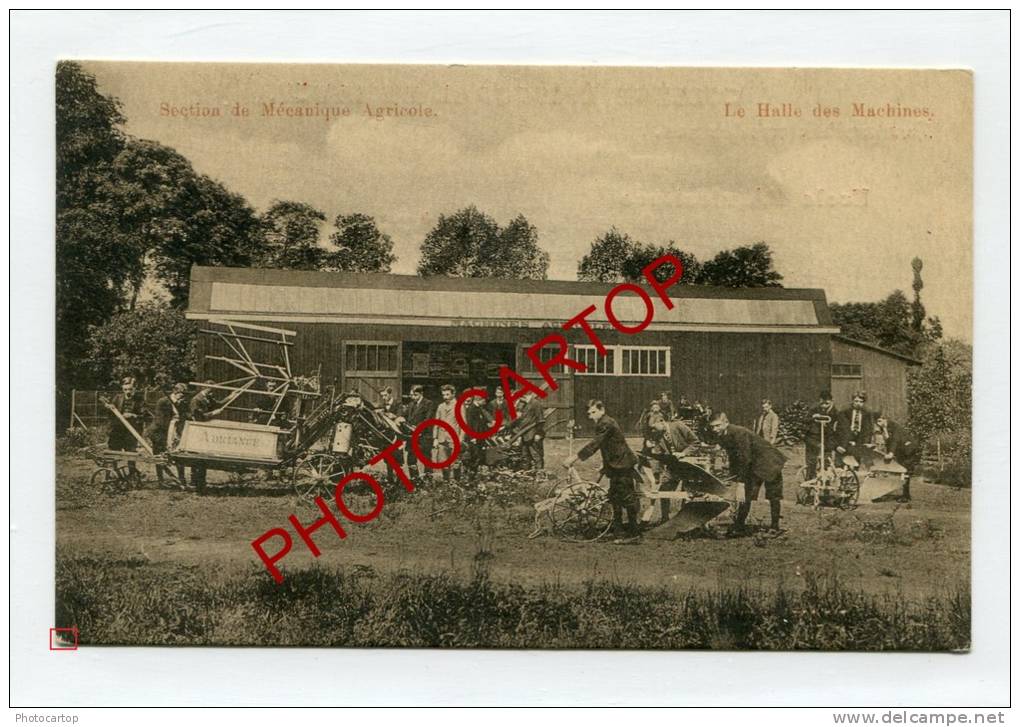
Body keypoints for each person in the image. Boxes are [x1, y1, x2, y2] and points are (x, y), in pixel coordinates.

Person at [564, 400, 640, 541]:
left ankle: (634, 534)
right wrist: (605, 465)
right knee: (615, 498)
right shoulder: (604, 422)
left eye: (593, 412)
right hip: (615, 464)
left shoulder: (605, 423)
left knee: (627, 497)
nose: (591, 416)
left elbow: (596, 443)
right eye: (589, 413)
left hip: (622, 465)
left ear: (602, 410)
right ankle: (619, 531)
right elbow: (608, 446)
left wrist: (575, 457)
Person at [710, 412, 786, 535]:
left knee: (773, 495)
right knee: (746, 496)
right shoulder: (723, 435)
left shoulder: (739, 433)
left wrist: (740, 482)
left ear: (726, 423)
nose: (715, 429)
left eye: (718, 425)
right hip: (754, 464)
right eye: (712, 426)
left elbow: (745, 458)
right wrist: (734, 476)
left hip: (769, 462)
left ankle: (775, 526)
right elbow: (734, 457)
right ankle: (739, 526)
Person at [145, 382, 189, 487]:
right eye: (181, 394)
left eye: (183, 395)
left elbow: (185, 415)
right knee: (160, 457)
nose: (182, 397)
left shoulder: (181, 402)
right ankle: (161, 481)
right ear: (175, 392)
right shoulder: (163, 402)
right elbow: (160, 421)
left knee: (179, 455)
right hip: (159, 432)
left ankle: (182, 480)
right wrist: (173, 422)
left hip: (173, 431)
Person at [107, 376, 150, 477]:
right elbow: (110, 415)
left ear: (134, 389)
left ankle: (132, 474)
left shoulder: (140, 400)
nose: (128, 391)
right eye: (125, 389)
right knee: (113, 453)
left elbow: (146, 416)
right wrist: (109, 409)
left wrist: (133, 415)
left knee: (131, 454)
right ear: (122, 389)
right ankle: (111, 474)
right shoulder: (117, 398)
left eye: (130, 389)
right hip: (117, 431)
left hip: (131, 432)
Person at [187, 380, 225, 494]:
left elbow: (219, 404)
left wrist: (233, 396)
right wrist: (213, 414)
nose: (213, 393)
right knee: (198, 458)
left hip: (205, 431)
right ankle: (196, 484)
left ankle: (200, 484)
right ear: (206, 388)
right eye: (212, 390)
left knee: (203, 459)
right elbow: (198, 417)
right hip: (198, 431)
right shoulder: (196, 400)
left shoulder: (208, 398)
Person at [874, 413, 921, 502]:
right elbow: (888, 441)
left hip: (908, 450)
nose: (878, 423)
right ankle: (905, 495)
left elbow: (895, 440)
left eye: (879, 421)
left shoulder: (895, 426)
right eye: (876, 422)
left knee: (905, 471)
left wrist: (891, 453)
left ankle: (906, 496)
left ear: (885, 419)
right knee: (902, 471)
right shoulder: (883, 428)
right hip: (901, 451)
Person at [506, 389, 546, 473]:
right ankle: (526, 472)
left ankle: (540, 472)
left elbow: (541, 420)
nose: (519, 400)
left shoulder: (536, 403)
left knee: (536, 454)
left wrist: (538, 434)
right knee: (525, 454)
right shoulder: (523, 404)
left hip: (533, 433)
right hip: (524, 434)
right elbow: (519, 418)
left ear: (524, 396)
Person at [804, 390, 839, 480]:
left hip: (828, 438)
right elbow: (805, 421)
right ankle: (810, 480)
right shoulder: (814, 409)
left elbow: (838, 427)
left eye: (826, 403)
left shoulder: (835, 412)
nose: (824, 406)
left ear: (832, 401)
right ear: (820, 401)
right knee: (811, 461)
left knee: (827, 461)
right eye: (822, 403)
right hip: (813, 437)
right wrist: (813, 417)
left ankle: (826, 482)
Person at [404, 385, 435, 482]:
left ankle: (428, 480)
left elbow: (428, 419)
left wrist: (418, 427)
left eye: (415, 395)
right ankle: (415, 480)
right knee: (411, 459)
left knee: (426, 458)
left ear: (421, 393)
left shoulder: (429, 404)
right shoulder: (411, 404)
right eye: (411, 395)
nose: (413, 397)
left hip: (424, 436)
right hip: (412, 437)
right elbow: (405, 415)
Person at [836, 391, 876, 467]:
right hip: (847, 435)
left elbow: (869, 428)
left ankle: (856, 472)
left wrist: (867, 442)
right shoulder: (845, 411)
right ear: (852, 401)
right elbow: (841, 428)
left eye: (861, 402)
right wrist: (842, 443)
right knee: (844, 458)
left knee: (857, 458)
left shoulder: (867, 412)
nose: (858, 403)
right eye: (856, 401)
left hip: (860, 437)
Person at [461, 390, 495, 478]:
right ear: (479, 399)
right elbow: (470, 425)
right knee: (475, 456)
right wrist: (473, 437)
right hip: (474, 437)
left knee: (479, 455)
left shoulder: (478, 409)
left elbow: (480, 423)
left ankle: (475, 475)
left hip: (479, 436)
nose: (485, 402)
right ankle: (471, 476)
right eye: (484, 400)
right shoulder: (471, 409)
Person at [433, 384, 461, 482]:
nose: (445, 397)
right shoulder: (440, 406)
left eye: (447, 395)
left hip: (454, 439)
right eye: (443, 395)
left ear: (453, 394)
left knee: (455, 463)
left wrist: (460, 440)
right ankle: (446, 482)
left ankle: (456, 483)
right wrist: (435, 438)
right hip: (441, 439)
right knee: (443, 462)